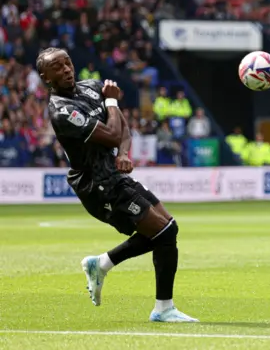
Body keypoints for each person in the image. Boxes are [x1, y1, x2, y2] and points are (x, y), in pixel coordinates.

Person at [37, 47, 198, 322]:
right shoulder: (62, 112)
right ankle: (160, 307)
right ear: (45, 77)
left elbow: (122, 128)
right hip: (97, 185)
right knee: (163, 233)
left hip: (115, 174)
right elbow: (111, 133)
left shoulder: (91, 87)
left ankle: (105, 266)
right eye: (57, 67)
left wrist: (123, 153)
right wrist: (111, 103)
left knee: (169, 228)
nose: (66, 69)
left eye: (68, 63)